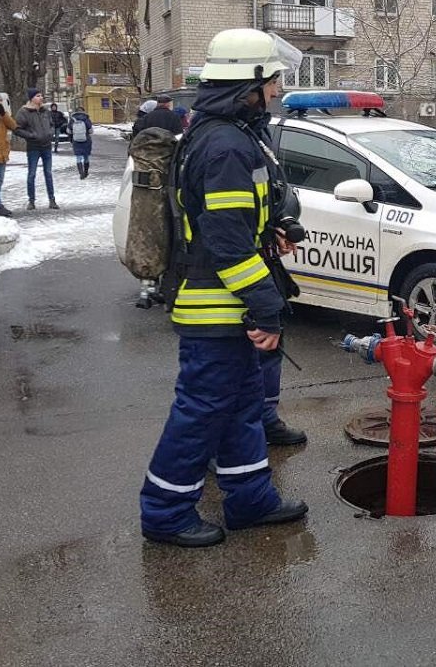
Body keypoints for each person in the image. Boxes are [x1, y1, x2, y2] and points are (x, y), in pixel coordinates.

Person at [139, 27, 308, 548]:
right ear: (251, 84)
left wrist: (278, 225)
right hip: (216, 309)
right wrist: (265, 308)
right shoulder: (226, 145)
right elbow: (227, 243)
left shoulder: (226, 134)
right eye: (275, 81)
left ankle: (250, 499)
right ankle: (165, 512)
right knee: (201, 412)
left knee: (239, 405)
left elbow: (240, 222)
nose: (279, 91)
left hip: (224, 307)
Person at [13, 89, 59, 210]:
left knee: (48, 173)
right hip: (33, 147)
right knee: (32, 174)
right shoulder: (24, 112)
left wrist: (51, 133)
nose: (41, 98)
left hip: (46, 146)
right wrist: (31, 136)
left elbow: (51, 124)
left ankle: (52, 199)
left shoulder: (45, 111)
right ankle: (31, 201)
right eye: (38, 96)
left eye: (41, 95)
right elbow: (17, 129)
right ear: (32, 98)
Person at [68, 105, 94, 179]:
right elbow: (91, 131)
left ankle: (81, 173)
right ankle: (86, 172)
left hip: (76, 141)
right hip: (86, 140)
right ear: (83, 111)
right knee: (86, 157)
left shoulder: (72, 119)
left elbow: (69, 130)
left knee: (78, 157)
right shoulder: (86, 119)